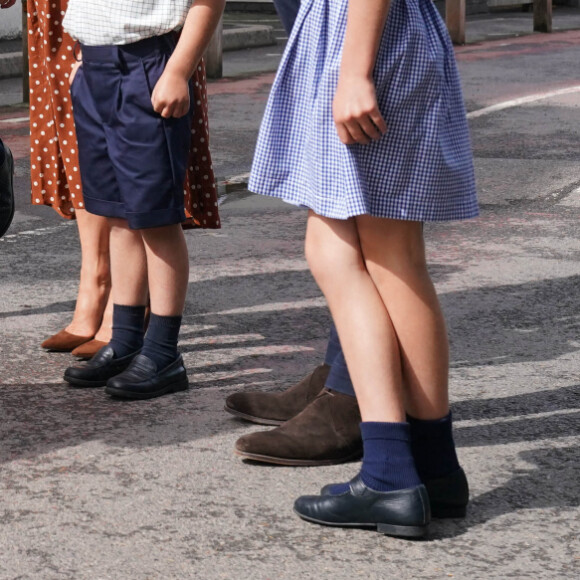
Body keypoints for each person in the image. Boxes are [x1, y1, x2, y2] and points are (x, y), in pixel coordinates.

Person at [242, 0, 477, 537]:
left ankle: (390, 475)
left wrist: (354, 70)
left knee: (343, 253)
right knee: (395, 259)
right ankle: (436, 470)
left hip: (361, 36)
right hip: (374, 34)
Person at [28, 0, 220, 359]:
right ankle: (125, 340)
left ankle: (163, 353)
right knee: (115, 214)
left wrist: (178, 70)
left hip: (147, 64)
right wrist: (84, 62)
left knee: (156, 217)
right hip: (94, 64)